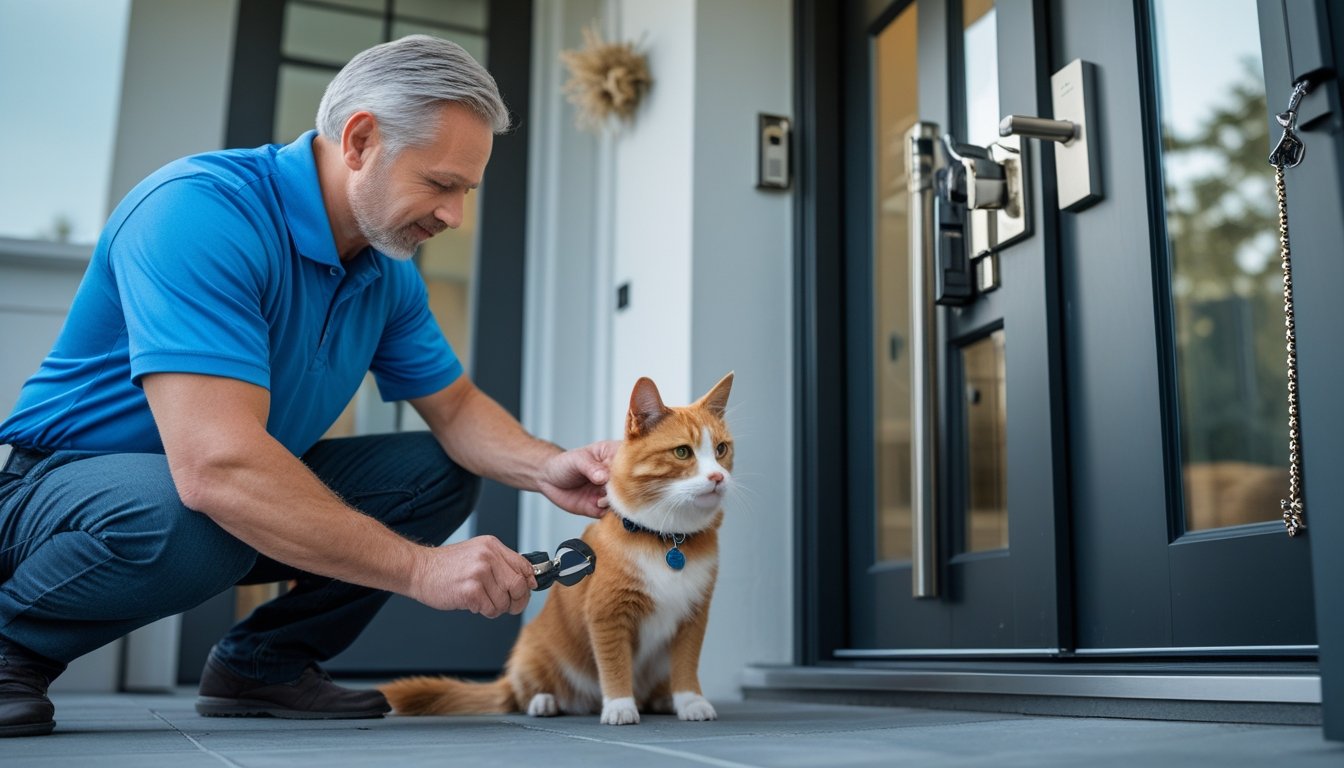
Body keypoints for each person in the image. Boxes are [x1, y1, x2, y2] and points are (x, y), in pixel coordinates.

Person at [0, 35, 616, 738]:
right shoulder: (199, 212)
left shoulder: (386, 270)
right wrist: (421, 571)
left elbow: (456, 409)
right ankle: (8, 650)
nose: (455, 217)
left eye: (466, 192)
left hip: (207, 489)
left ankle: (264, 664)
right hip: (60, 496)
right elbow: (215, 466)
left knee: (436, 474)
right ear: (360, 140)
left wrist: (546, 467)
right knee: (199, 512)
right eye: (442, 185)